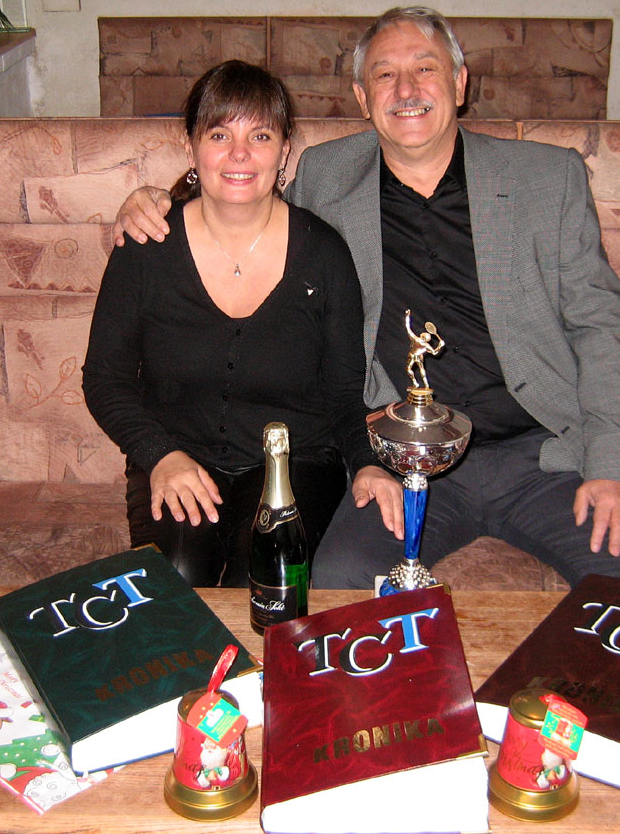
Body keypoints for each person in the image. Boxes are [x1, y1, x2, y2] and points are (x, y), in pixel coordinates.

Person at [111, 8, 620, 591]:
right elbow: (242, 197)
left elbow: (597, 326)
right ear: (363, 98)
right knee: (335, 579)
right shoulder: (327, 176)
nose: (406, 90)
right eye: (385, 75)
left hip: (541, 457)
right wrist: (158, 199)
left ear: (459, 83)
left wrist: (614, 467)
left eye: (425, 69)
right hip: (401, 456)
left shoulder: (548, 178)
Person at [83, 59, 401, 587]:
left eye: (260, 135)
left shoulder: (324, 254)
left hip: (296, 461)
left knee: (266, 576)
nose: (239, 154)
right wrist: (160, 455)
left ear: (284, 151)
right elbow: (104, 379)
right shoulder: (145, 246)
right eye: (219, 134)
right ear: (191, 146)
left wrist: (368, 463)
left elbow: (345, 395)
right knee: (177, 579)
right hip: (177, 453)